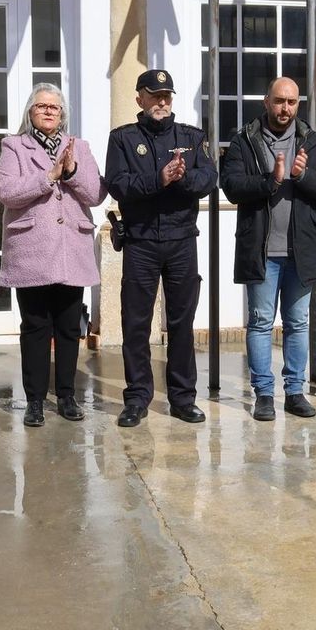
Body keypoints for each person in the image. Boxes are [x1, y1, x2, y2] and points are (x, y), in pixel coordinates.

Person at [221, 77, 316, 421]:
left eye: (291, 102)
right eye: (279, 101)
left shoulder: (311, 140)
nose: (285, 109)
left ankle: (295, 392)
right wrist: (271, 180)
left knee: (298, 323)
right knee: (259, 323)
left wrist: (301, 177)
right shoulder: (245, 139)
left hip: (302, 251)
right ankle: (264, 395)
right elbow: (231, 186)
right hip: (262, 249)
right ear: (266, 100)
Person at [105, 69, 217, 427]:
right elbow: (118, 185)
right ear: (140, 98)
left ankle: (183, 398)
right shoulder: (122, 139)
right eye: (155, 95)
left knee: (182, 323)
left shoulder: (191, 136)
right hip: (140, 242)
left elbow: (209, 179)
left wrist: (183, 178)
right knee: (136, 324)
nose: (162, 102)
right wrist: (159, 178)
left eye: (167, 95)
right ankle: (137, 397)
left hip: (181, 241)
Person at [0, 84, 106, 426]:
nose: (47, 111)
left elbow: (96, 193)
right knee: (35, 327)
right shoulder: (14, 146)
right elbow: (6, 191)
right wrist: (49, 176)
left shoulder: (80, 148)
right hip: (31, 251)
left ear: (63, 114)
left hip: (71, 249)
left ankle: (68, 396)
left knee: (70, 328)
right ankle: (34, 400)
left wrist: (70, 172)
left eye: (54, 107)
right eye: (40, 106)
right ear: (30, 112)